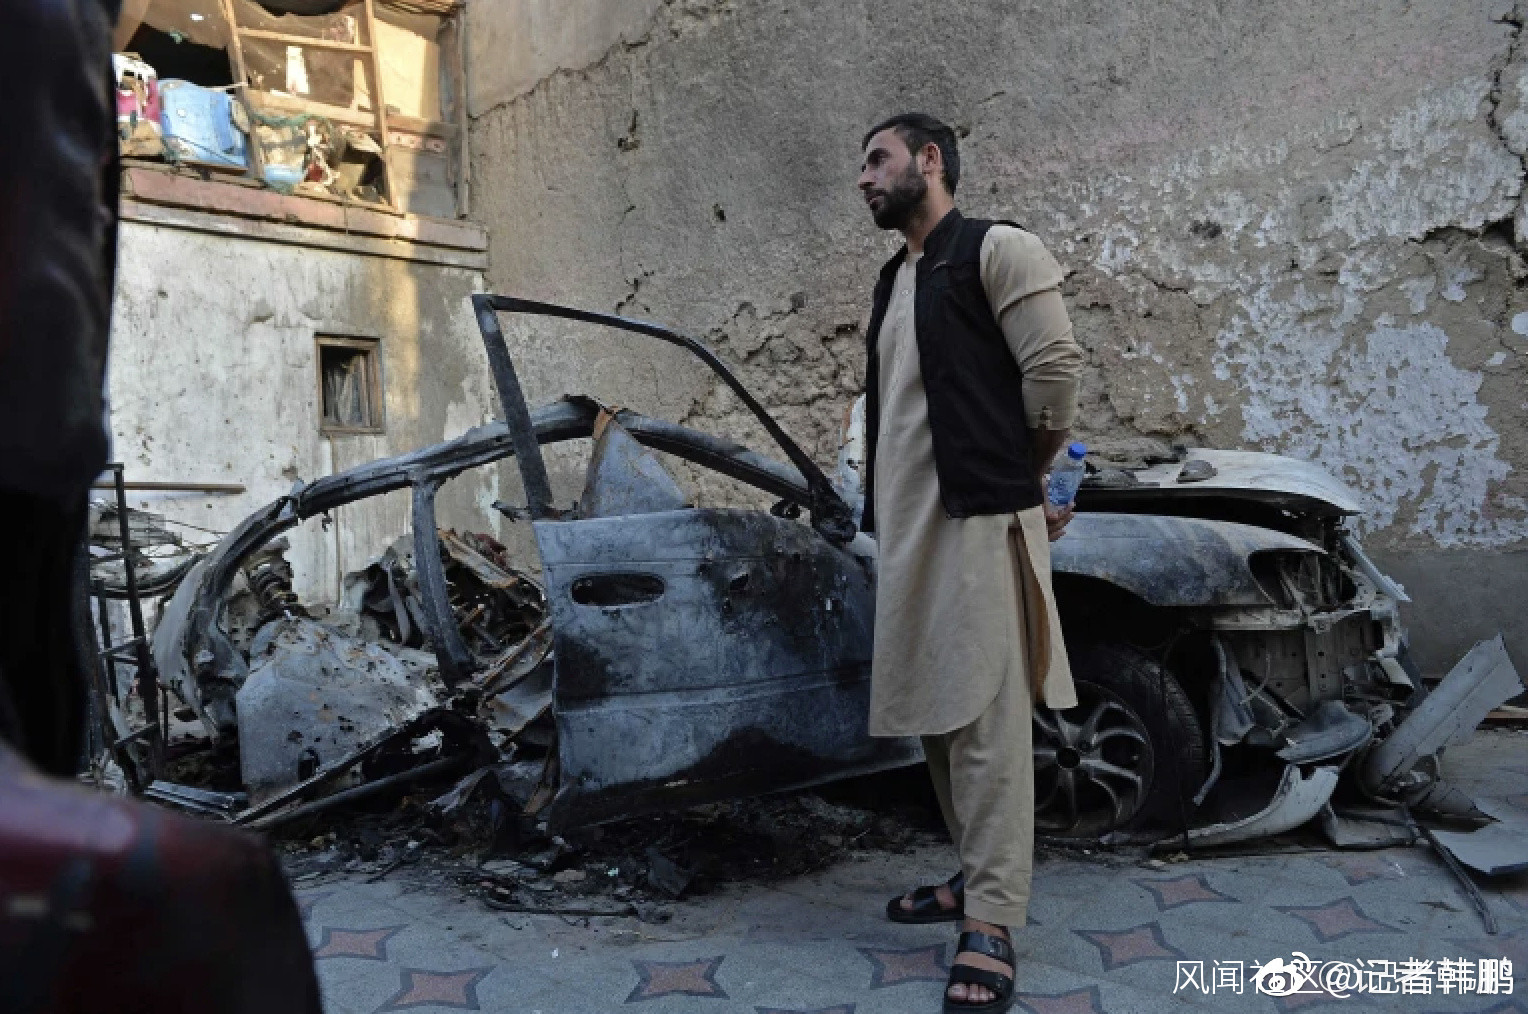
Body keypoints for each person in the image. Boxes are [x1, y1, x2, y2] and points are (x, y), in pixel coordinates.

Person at [856, 112, 1083, 1013]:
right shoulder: (896, 278)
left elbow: (1054, 372)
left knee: (985, 724)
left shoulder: (999, 249)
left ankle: (991, 920)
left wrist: (1019, 477)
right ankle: (973, 873)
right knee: (936, 716)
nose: (864, 178)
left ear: (930, 160)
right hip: (909, 532)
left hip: (980, 521)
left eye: (878, 159)